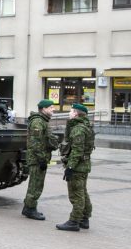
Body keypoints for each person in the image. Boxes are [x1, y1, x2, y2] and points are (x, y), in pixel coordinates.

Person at [56, 103, 95, 232]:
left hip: (77, 167)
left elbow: (77, 151)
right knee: (82, 192)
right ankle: (84, 218)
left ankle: (74, 221)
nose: (69, 113)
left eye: (71, 111)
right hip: (83, 166)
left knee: (76, 195)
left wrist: (70, 167)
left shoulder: (78, 129)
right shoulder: (85, 126)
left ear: (77, 114)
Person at [22, 99, 59, 220]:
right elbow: (35, 142)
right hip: (37, 159)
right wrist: (42, 159)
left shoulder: (43, 121)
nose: (53, 109)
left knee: (37, 183)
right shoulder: (38, 122)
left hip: (39, 158)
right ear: (43, 109)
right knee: (35, 184)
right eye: (51, 107)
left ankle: (29, 207)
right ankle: (30, 209)